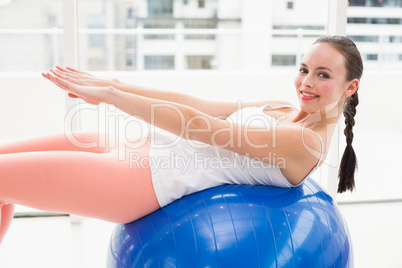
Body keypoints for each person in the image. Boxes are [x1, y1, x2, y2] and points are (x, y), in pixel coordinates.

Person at [0, 35, 363, 244]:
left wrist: (112, 98)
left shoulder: (306, 143)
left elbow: (200, 126)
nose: (307, 82)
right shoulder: (282, 107)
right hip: (140, 144)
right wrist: (112, 84)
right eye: (303, 69)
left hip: (141, 177)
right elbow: (196, 104)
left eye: (323, 74)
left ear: (350, 86)